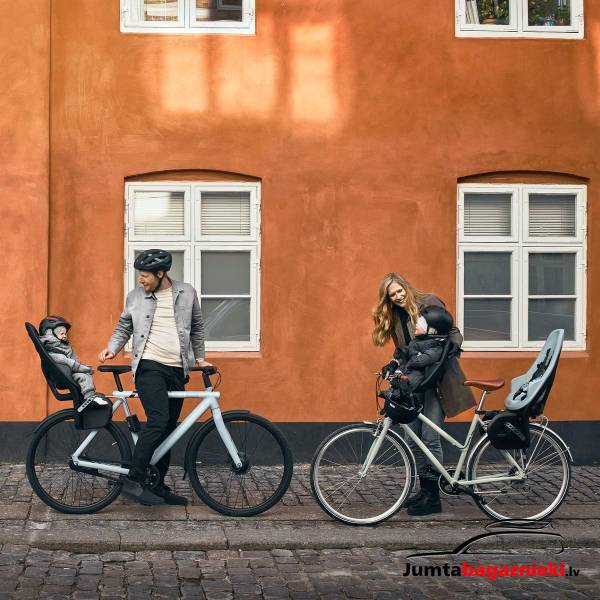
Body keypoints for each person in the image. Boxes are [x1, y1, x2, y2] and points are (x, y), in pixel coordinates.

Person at [99, 249, 212, 506]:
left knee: (168, 430)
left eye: (145, 275)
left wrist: (200, 358)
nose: (141, 280)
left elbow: (197, 327)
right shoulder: (135, 297)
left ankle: (157, 484)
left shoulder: (187, 292)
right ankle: (134, 479)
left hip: (178, 369)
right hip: (149, 366)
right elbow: (124, 326)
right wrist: (112, 348)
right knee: (158, 420)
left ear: (161, 274)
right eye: (140, 275)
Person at [372, 273, 474, 516]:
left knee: (429, 437)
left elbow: (453, 332)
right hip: (415, 382)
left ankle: (433, 497)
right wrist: (393, 364)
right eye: (392, 295)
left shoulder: (429, 303)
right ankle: (425, 489)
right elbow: (404, 350)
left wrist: (442, 354)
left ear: (406, 287)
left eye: (399, 291)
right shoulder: (396, 317)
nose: (398, 297)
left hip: (437, 381)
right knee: (412, 439)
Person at [39, 316, 109, 407]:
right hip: (63, 376)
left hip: (67, 374)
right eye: (61, 333)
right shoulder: (53, 352)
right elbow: (68, 362)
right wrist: (83, 368)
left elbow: (72, 361)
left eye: (65, 333)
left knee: (85, 376)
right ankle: (89, 398)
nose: (65, 336)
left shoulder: (61, 347)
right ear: (50, 334)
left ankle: (90, 397)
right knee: (84, 377)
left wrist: (82, 366)